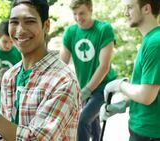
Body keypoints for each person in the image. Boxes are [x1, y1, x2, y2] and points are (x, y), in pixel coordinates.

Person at [0, 0, 81, 140]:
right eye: (14, 22)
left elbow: (36, 139)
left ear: (46, 25)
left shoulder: (63, 81)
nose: (20, 30)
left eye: (30, 21)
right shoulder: (10, 76)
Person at [100, 0, 160, 140]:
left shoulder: (155, 43)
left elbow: (146, 96)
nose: (125, 13)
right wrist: (123, 104)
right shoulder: (150, 39)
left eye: (130, 7)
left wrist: (120, 85)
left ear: (146, 8)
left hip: (149, 133)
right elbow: (151, 90)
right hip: (144, 130)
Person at [60, 0, 117, 141]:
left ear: (90, 10)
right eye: (75, 14)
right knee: (93, 126)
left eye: (82, 13)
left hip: (103, 87)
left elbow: (104, 66)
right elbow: (61, 64)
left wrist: (86, 90)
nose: (78, 18)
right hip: (84, 87)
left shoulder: (104, 29)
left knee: (82, 120)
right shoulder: (70, 32)